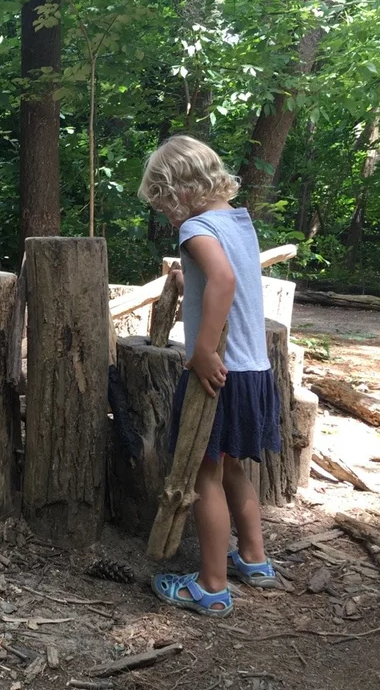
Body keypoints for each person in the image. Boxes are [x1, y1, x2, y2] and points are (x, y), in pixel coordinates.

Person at [138, 134, 281, 617]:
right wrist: (185, 280)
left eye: (163, 204)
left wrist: (200, 349)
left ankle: (212, 585)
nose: (166, 215)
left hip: (218, 373)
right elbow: (224, 273)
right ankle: (255, 560)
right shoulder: (237, 222)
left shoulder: (196, 227)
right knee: (235, 466)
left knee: (204, 474)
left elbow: (223, 279)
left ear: (178, 190)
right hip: (253, 369)